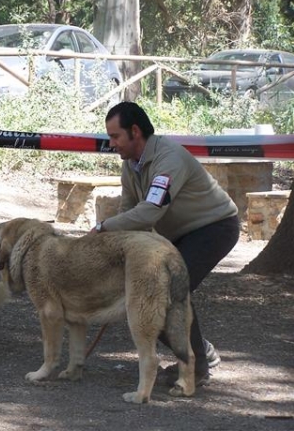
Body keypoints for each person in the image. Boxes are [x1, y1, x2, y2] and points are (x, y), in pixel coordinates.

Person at [92, 101, 240, 386]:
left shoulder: (169, 157)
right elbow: (129, 212)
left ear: (135, 131)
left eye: (115, 136)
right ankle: (201, 353)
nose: (111, 143)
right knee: (150, 297)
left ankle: (196, 366)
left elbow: (150, 210)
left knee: (169, 292)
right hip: (177, 234)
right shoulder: (130, 165)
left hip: (215, 227)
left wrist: (102, 228)